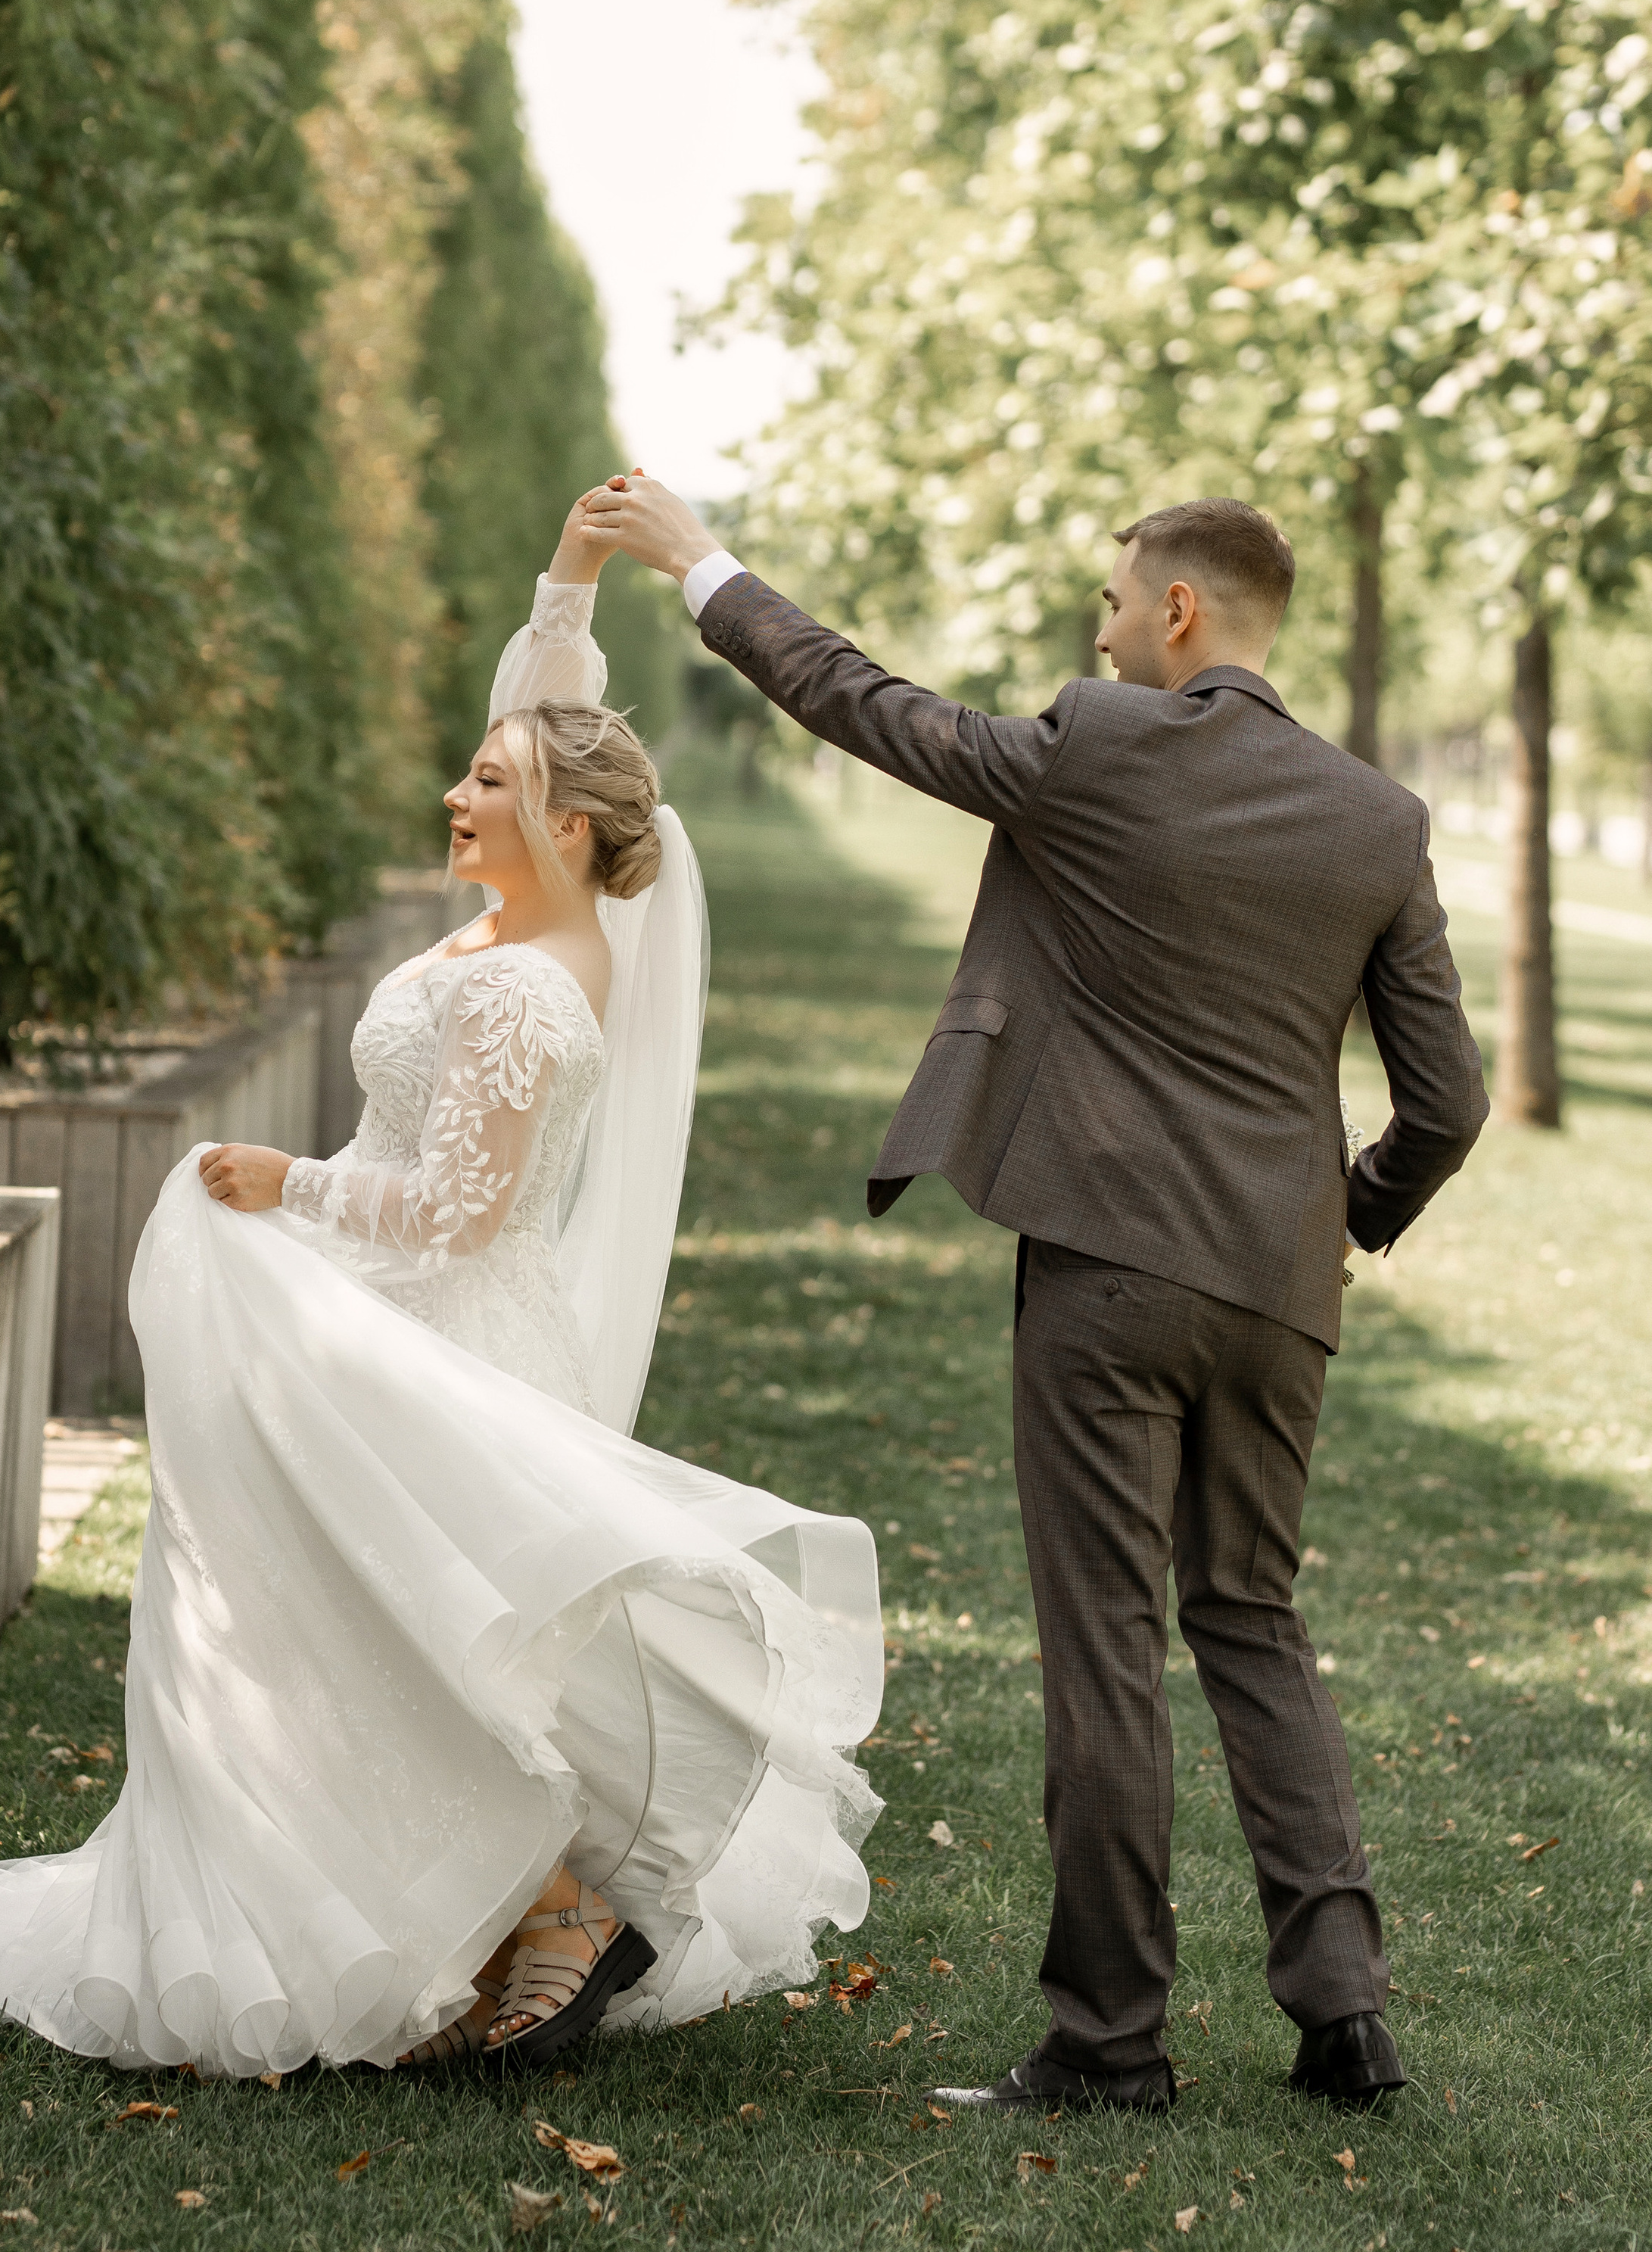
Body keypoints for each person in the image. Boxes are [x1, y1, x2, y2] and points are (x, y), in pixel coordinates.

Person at [0, 504, 882, 2079]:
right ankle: (463, 1915)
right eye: (468, 770)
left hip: (447, 1330)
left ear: (567, 831)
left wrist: (288, 1184)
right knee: (361, 1634)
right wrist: (570, 580)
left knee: (425, 1635)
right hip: (382, 1310)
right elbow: (539, 725)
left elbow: (460, 1213)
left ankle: (559, 1900)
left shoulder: (526, 984)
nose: (457, 790)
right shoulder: (521, 923)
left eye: (489, 783)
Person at [583, 472, 1488, 2116]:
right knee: (1252, 1619)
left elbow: (865, 703)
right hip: (1278, 1290)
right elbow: (1447, 1103)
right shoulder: (1379, 819)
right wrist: (1341, 1216)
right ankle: (1343, 2010)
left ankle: (1110, 2042)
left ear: (1179, 610)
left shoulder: (1099, 744)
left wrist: (701, 564)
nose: (1102, 624)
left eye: (1115, 597)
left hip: (1108, 1269)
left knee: (1106, 1646)